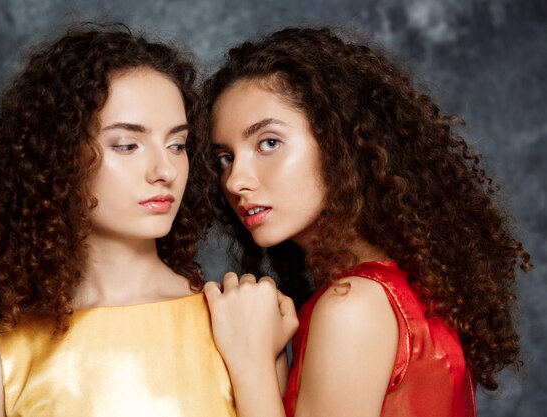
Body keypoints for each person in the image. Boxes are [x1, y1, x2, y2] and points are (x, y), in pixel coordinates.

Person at [202, 26, 532, 417]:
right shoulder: (405, 291)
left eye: (268, 143)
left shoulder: (352, 309)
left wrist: (251, 363)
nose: (237, 181)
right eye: (225, 158)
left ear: (340, 142)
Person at [0, 23, 235, 417]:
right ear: (60, 158)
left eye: (177, 145)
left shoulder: (237, 323)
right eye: (127, 145)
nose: (165, 170)